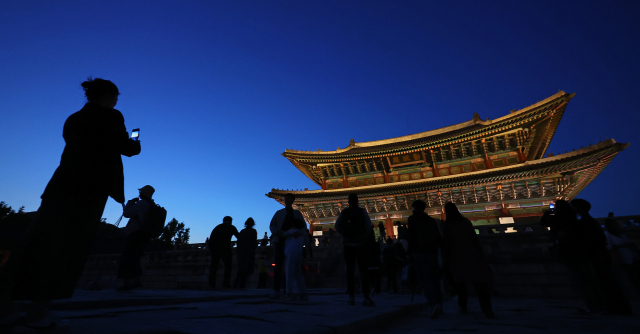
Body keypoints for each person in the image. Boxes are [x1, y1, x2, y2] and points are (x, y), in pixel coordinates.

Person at [0, 77, 141, 329]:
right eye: (116, 96)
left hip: (61, 185)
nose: (117, 101)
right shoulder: (112, 116)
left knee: (35, 245)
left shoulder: (73, 119)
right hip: (90, 189)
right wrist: (135, 144)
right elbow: (126, 148)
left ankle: (5, 306)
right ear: (109, 96)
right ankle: (38, 311)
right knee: (67, 249)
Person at [570, 199, 632, 315]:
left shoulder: (585, 222)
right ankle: (617, 306)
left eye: (574, 207)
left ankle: (616, 307)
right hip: (599, 254)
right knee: (607, 282)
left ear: (579, 208)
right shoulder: (590, 220)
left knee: (605, 282)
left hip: (596, 256)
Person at [442, 202, 494, 318]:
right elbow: (474, 239)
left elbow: (446, 243)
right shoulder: (465, 222)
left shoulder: (448, 225)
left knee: (460, 285)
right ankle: (487, 309)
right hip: (472, 255)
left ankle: (463, 307)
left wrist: (446, 259)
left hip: (457, 257)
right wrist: (481, 254)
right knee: (480, 284)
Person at [335, 193, 375, 306]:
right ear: (357, 201)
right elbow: (368, 226)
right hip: (361, 245)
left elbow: (337, 225)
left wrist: (345, 234)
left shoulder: (344, 212)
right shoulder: (362, 212)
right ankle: (366, 297)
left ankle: (351, 297)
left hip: (348, 244)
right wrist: (363, 237)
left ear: (348, 201)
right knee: (363, 270)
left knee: (350, 271)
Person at [407, 199, 443, 318]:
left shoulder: (412, 219)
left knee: (425, 279)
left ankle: (434, 304)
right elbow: (438, 237)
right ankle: (439, 303)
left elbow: (411, 237)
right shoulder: (430, 220)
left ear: (414, 208)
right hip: (432, 253)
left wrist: (409, 253)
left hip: (419, 253)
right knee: (435, 279)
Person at [116, 185, 155, 291]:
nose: (139, 193)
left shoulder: (142, 203)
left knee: (127, 258)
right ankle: (136, 281)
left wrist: (130, 203)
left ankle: (124, 283)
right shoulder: (151, 205)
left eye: (141, 192)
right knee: (135, 258)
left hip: (135, 233)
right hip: (143, 235)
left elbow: (127, 214)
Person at [268, 193, 305, 299]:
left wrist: (300, 233)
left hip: (292, 240)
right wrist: (276, 232)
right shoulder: (279, 213)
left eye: (289, 199)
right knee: (278, 265)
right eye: (286, 199)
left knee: (291, 267)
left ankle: (288, 289)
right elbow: (272, 225)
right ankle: (276, 290)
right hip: (280, 240)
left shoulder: (297, 213)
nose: (287, 200)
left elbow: (303, 226)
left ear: (292, 200)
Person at [279, 218, 311, 301]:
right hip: (299, 253)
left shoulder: (291, 231)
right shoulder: (302, 234)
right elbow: (305, 243)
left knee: (289, 273)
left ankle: (289, 293)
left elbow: (282, 234)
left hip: (290, 253)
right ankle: (303, 293)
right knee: (298, 273)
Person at [604, 218, 640, 293]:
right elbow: (610, 247)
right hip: (624, 258)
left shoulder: (620, 234)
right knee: (632, 277)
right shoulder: (608, 234)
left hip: (632, 256)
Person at [208, 216, 239, 289]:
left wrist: (211, 249)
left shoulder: (217, 227)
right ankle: (226, 283)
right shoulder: (231, 227)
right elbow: (238, 237)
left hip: (216, 249)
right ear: (230, 221)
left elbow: (211, 239)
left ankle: (212, 284)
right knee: (228, 266)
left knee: (214, 267)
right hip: (226, 249)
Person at [234, 218, 258, 289]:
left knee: (241, 268)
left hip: (241, 252)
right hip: (249, 252)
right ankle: (242, 283)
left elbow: (238, 242)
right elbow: (254, 242)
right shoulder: (253, 231)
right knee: (247, 269)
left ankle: (237, 282)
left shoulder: (242, 231)